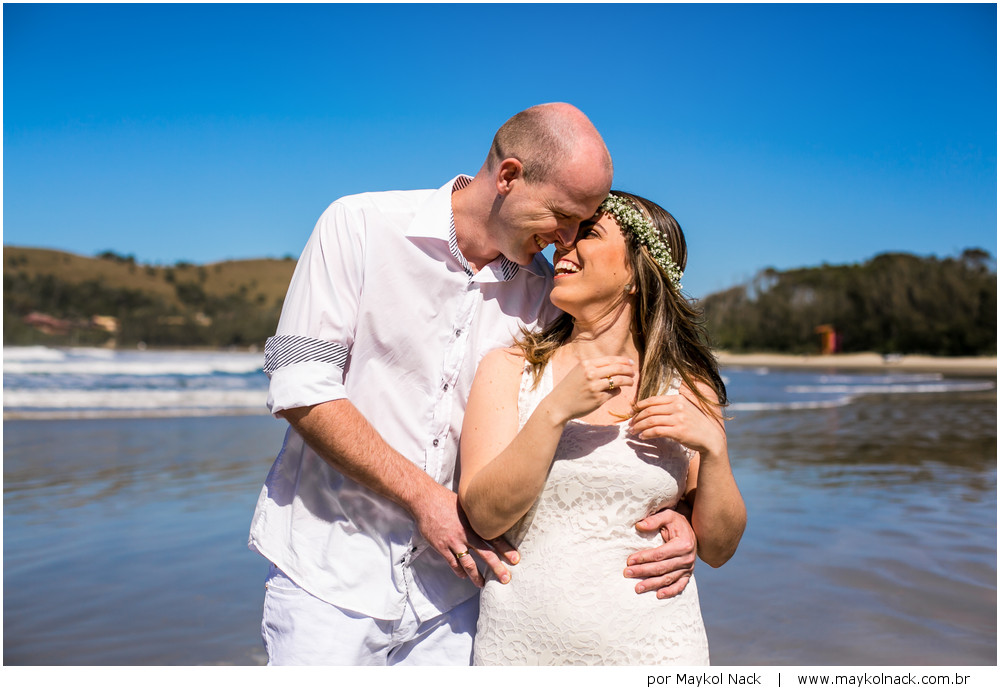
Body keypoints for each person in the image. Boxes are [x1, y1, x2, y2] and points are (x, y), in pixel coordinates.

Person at [248, 104, 700, 665]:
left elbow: (609, 410)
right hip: (330, 571)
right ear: (509, 177)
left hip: (460, 592)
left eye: (581, 228)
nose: (565, 239)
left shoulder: (547, 292)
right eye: (561, 216)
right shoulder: (359, 225)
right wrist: (423, 497)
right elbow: (301, 387)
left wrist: (679, 511)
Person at [459, 191, 747, 665]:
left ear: (637, 271)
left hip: (658, 648)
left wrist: (714, 451)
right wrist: (553, 412)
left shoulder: (689, 386)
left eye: (587, 234)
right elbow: (486, 517)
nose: (561, 246)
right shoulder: (509, 370)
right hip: (523, 649)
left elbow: (718, 548)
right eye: (563, 235)